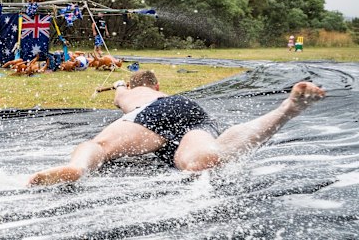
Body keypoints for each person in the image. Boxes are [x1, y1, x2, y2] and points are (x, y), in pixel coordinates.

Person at [27, 70, 325, 186]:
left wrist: (119, 87)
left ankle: (77, 168)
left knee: (101, 147)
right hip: (193, 115)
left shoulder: (133, 94)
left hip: (152, 115)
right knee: (202, 160)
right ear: (158, 85)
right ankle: (286, 111)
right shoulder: (166, 94)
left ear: (136, 86)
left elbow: (121, 97)